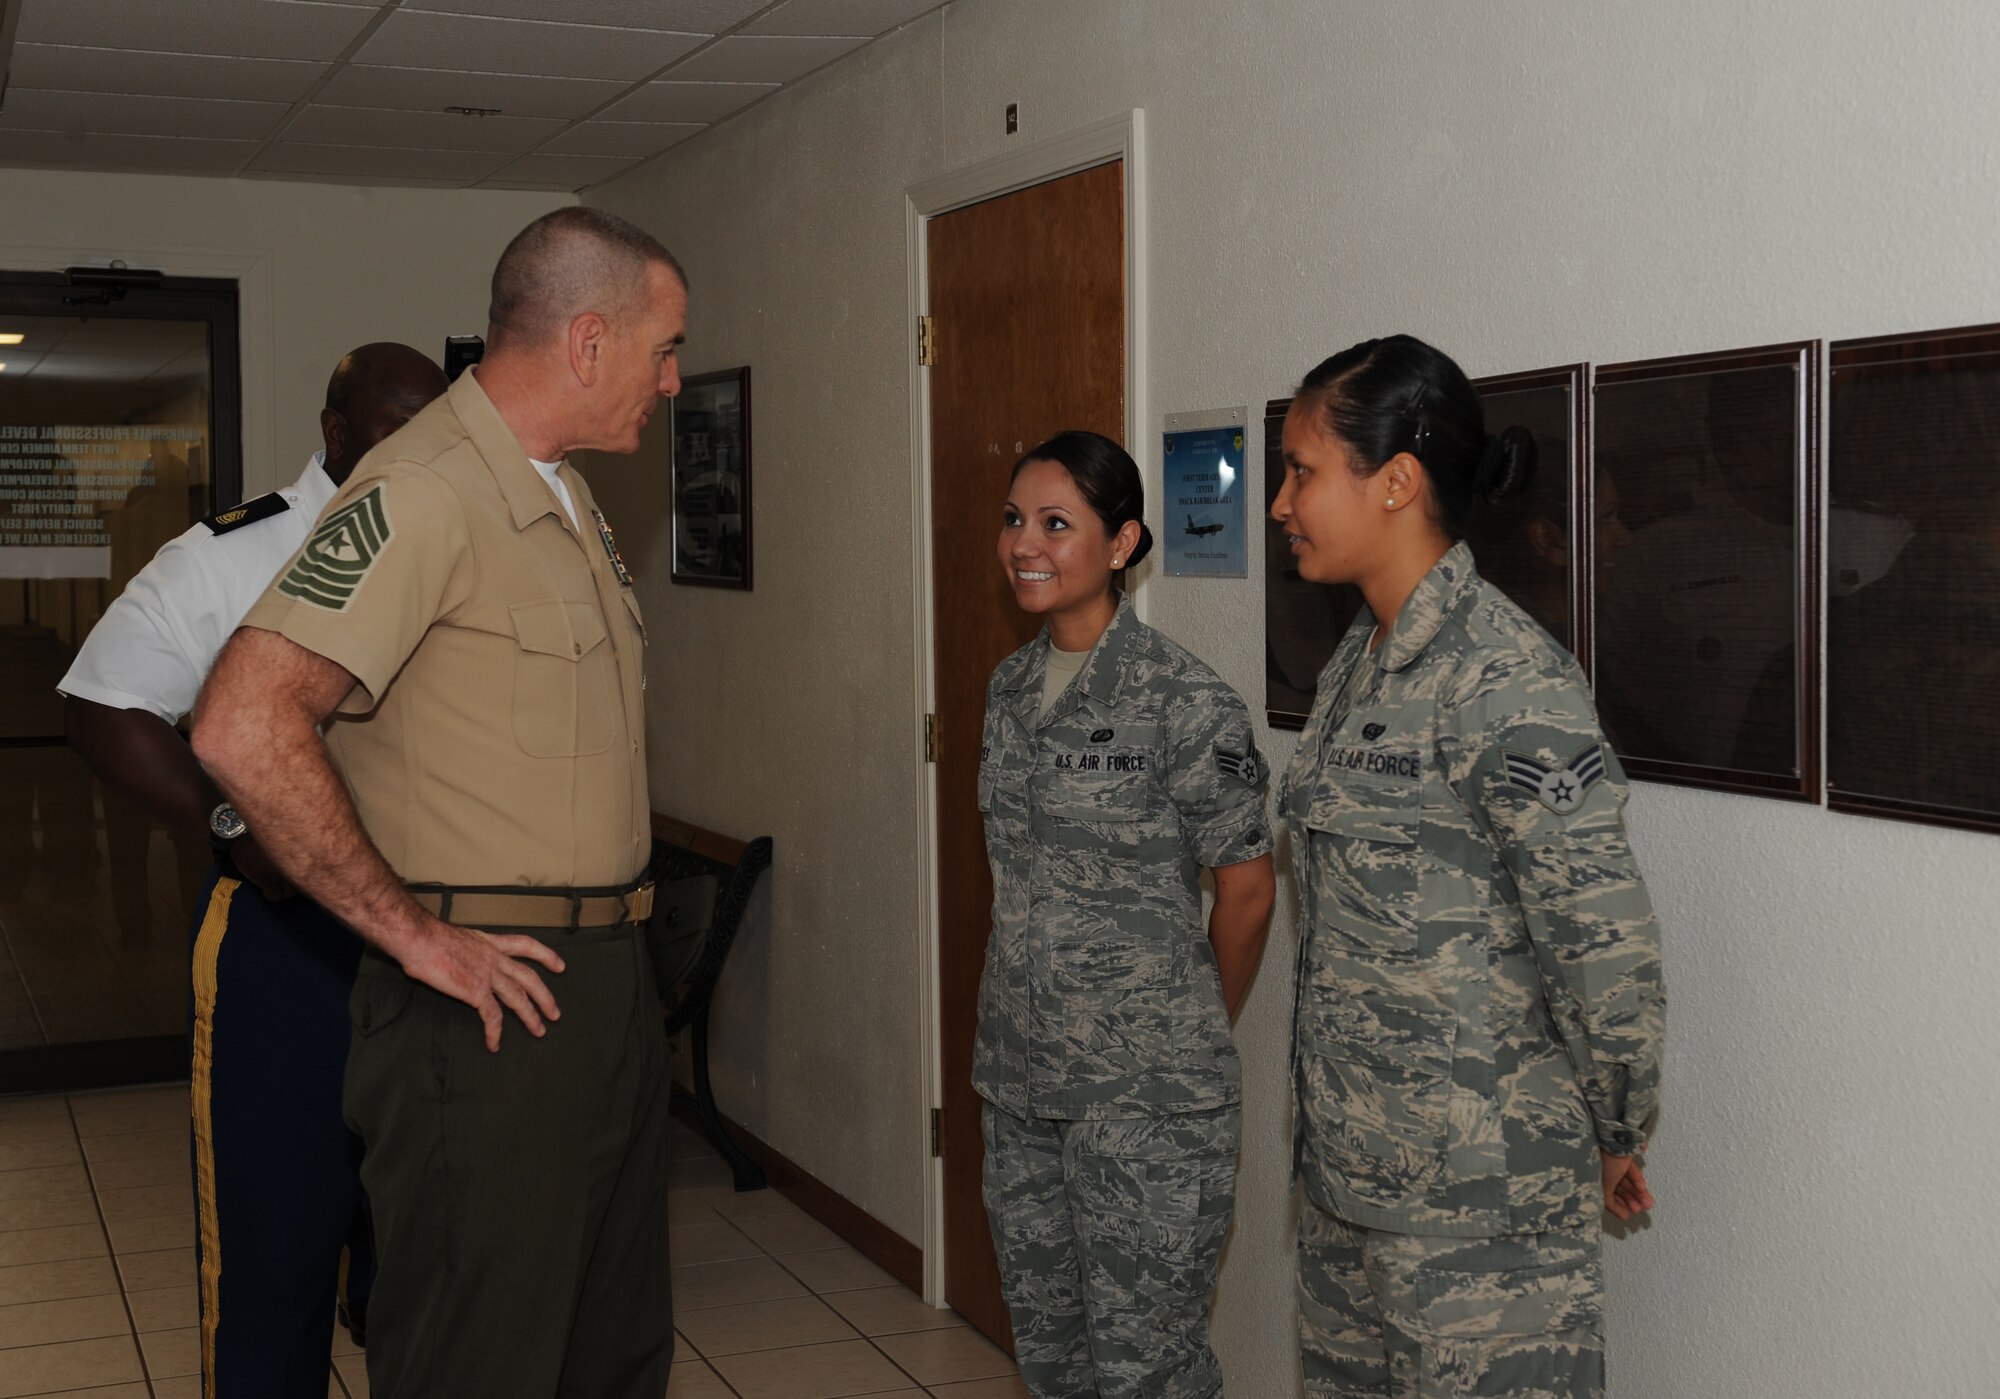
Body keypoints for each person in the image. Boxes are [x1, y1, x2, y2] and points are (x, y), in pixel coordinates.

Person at [189, 207, 685, 1399]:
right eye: (663, 348)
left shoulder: (561, 494)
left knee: (607, 1349)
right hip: (490, 999)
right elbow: (243, 721)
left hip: (602, 982)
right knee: (485, 1353)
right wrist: (412, 932)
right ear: (586, 340)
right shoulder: (422, 488)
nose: (671, 380)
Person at [1268, 336, 1666, 1399]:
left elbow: (1596, 932)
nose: (1278, 502)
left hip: (1481, 1207)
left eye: (1301, 470)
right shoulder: (1355, 661)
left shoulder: (1505, 677)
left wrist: (1615, 1120)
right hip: (1353, 1182)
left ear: (1394, 479)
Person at [59, 341, 447, 1398]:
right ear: (334, 431)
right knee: (275, 1254)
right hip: (290, 949)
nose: (413, 445)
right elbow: (101, 701)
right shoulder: (236, 554)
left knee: (431, 1260)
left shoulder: (456, 546)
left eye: (433, 424)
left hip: (437, 938)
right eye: (389, 422)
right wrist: (231, 819)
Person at [974, 430, 1277, 1399]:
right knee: (1053, 1360)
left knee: (1147, 1369)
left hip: (1145, 1103)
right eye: (1016, 519)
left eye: (1057, 523)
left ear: (1121, 542)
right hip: (1020, 1089)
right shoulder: (1008, 690)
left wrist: (1182, 1026)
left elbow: (1247, 887)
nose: (1026, 542)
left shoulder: (1182, 700)